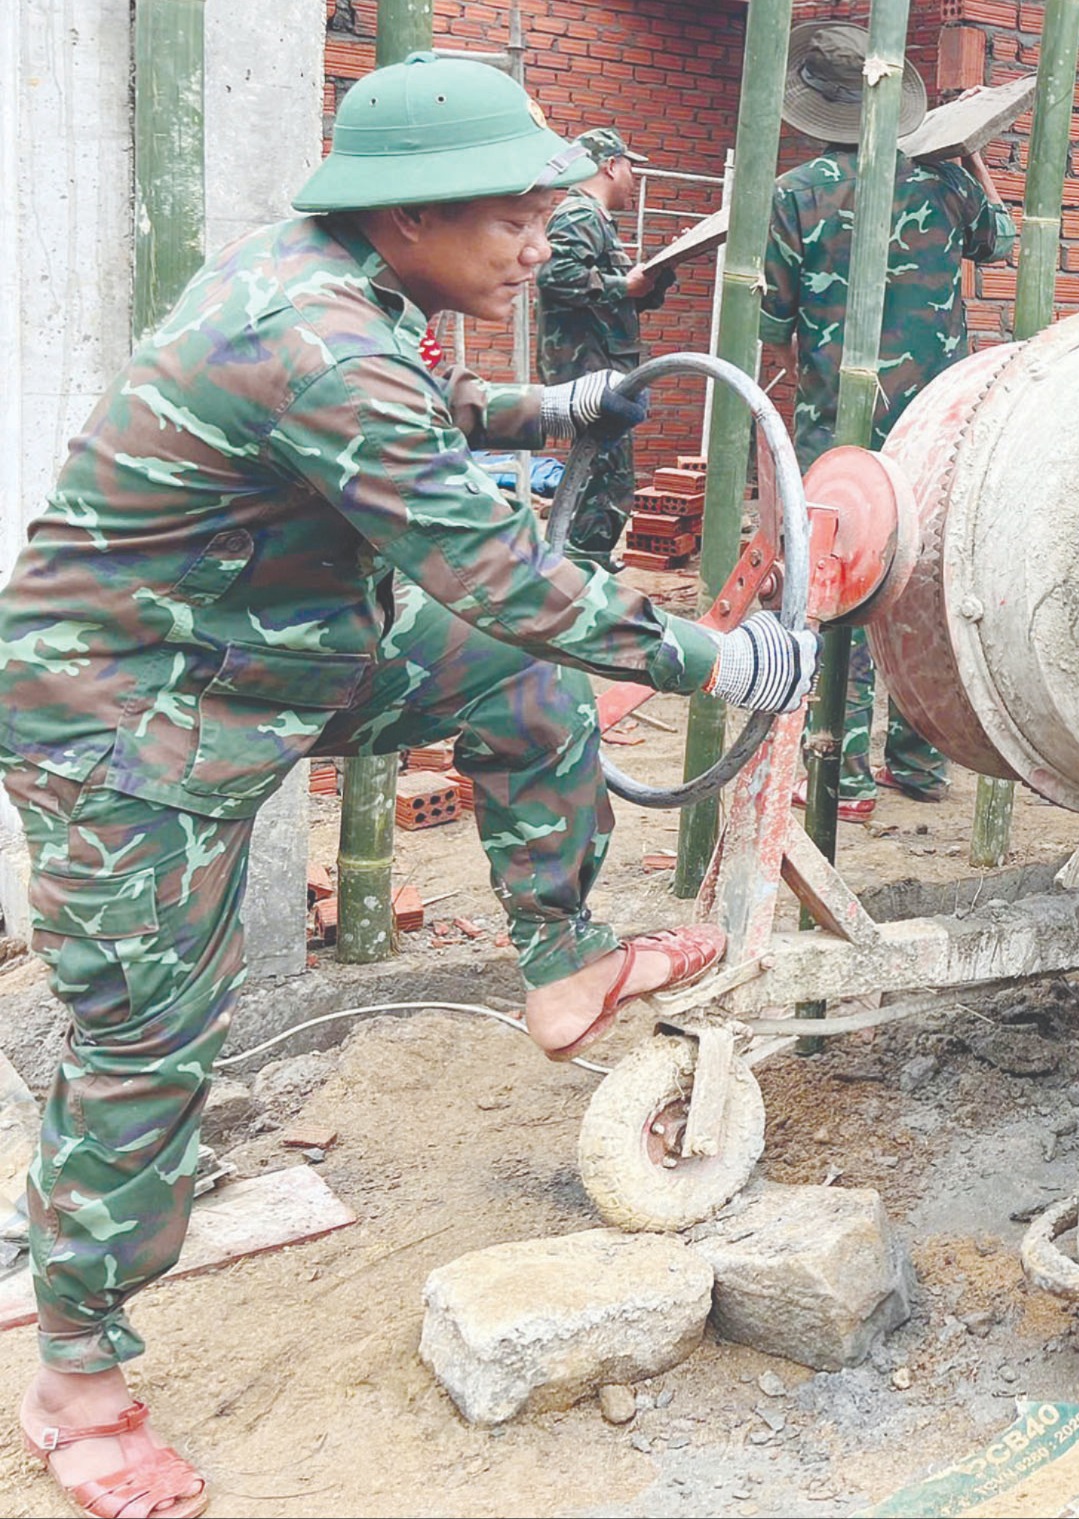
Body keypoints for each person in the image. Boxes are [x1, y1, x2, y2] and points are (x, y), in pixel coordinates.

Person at [0, 56, 817, 1514]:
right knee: (145, 1042)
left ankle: (563, 964)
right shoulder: (310, 337)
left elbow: (422, 412)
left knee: (520, 688)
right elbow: (496, 572)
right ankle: (76, 1375)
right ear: (402, 219)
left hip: (271, 645)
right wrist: (717, 658)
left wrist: (561, 404)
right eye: (507, 219)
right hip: (123, 707)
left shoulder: (348, 290)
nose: (533, 245)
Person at [763, 20, 1014, 814]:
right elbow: (1001, 243)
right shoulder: (944, 183)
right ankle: (921, 758)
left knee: (840, 584)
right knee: (924, 584)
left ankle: (840, 774)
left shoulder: (794, 196)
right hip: (937, 428)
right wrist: (971, 158)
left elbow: (770, 319)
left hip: (839, 425)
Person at [536, 126, 669, 568]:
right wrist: (623, 284)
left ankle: (582, 564)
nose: (634, 178)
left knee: (604, 476)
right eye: (630, 167)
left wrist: (660, 272)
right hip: (585, 365)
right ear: (611, 165)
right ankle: (579, 572)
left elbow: (622, 297)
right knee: (607, 480)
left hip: (600, 361)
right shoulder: (580, 215)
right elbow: (555, 278)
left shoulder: (595, 221)